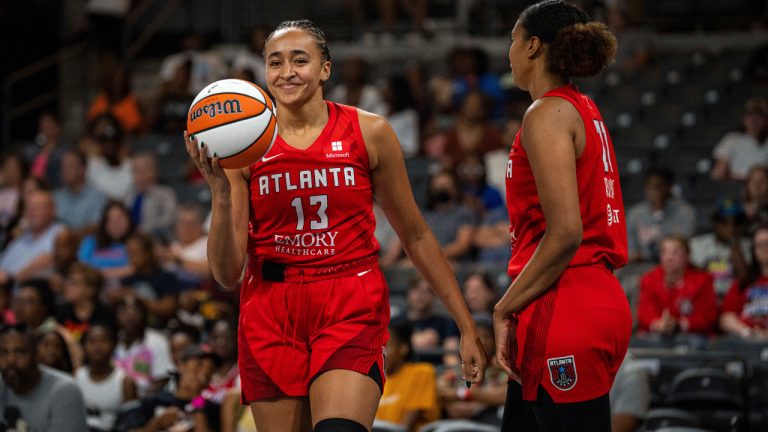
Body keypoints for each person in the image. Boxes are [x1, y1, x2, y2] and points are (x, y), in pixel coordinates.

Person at [185, 19, 486, 432]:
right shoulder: (243, 146)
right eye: (275, 62)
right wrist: (220, 191)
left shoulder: (370, 131)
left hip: (348, 299)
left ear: (325, 69)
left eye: (300, 59)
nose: (287, 71)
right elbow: (225, 273)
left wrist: (465, 323)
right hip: (271, 306)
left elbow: (415, 234)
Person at [494, 2, 632, 431]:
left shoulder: (546, 113)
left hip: (564, 302)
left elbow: (566, 232)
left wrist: (503, 309)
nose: (509, 52)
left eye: (513, 41)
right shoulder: (581, 107)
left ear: (533, 46)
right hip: (594, 298)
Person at [0, 324, 88, 432]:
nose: (10, 360)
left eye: (20, 352)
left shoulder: (64, 391)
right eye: (3, 352)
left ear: (36, 355)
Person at [637, 235, 718, 338]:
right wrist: (659, 324)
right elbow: (644, 313)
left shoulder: (703, 281)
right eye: (664, 252)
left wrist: (679, 324)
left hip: (693, 337)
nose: (669, 257)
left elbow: (707, 317)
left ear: (687, 256)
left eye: (675, 252)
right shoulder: (648, 279)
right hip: (656, 335)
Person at [374, 321, 439, 431]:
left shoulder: (422, 372)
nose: (380, 354)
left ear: (403, 348)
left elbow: (405, 426)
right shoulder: (374, 380)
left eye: (386, 346)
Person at [76, 322, 138, 432]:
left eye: (103, 341)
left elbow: (131, 424)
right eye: (92, 342)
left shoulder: (125, 382)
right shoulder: (76, 377)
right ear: (84, 346)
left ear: (113, 345)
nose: (97, 347)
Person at [626, 168, 697, 262]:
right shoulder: (635, 213)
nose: (653, 191)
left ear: (669, 187)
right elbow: (630, 249)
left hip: (672, 264)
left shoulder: (685, 212)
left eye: (658, 186)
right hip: (641, 267)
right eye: (649, 186)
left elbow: (681, 246)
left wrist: (647, 254)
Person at [689, 198, 751, 297]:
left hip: (734, 298)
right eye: (724, 222)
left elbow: (744, 280)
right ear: (715, 223)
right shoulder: (697, 243)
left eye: (736, 222)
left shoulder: (747, 245)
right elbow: (692, 277)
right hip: (704, 298)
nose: (731, 227)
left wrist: (734, 244)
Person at [720, 225, 768, 340]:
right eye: (759, 245)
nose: (765, 248)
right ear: (753, 250)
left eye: (767, 243)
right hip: (746, 338)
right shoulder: (744, 282)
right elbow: (726, 318)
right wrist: (748, 332)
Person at [711, 97, 768, 181]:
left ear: (765, 120)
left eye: (759, 116)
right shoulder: (732, 139)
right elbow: (718, 172)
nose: (754, 120)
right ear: (744, 119)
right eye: (751, 115)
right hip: (735, 185)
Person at [53, 148, 108, 234]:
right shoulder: (56, 196)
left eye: (70, 166)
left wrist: (70, 237)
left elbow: (95, 226)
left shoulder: (98, 197)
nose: (65, 170)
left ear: (83, 169)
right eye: (63, 166)